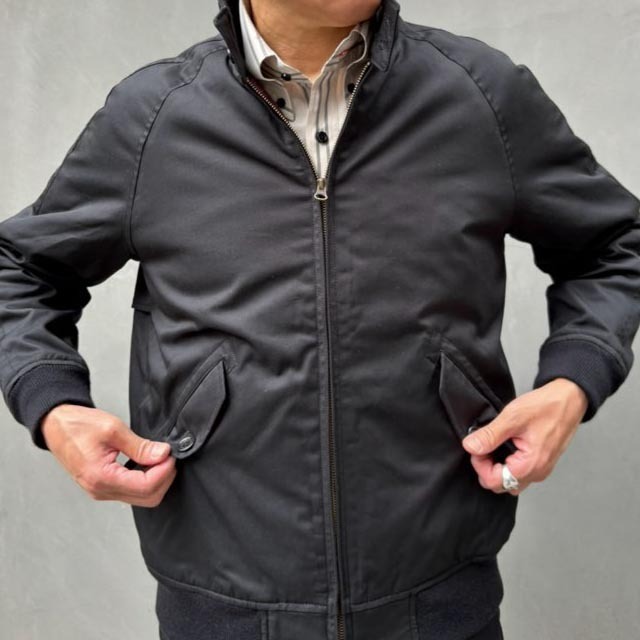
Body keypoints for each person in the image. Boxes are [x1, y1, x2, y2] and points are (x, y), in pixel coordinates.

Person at [1, 0, 639, 638]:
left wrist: (572, 384)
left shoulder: (479, 95)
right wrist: (54, 406)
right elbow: (21, 269)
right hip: (222, 611)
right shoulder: (154, 117)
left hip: (441, 608)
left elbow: (616, 245)